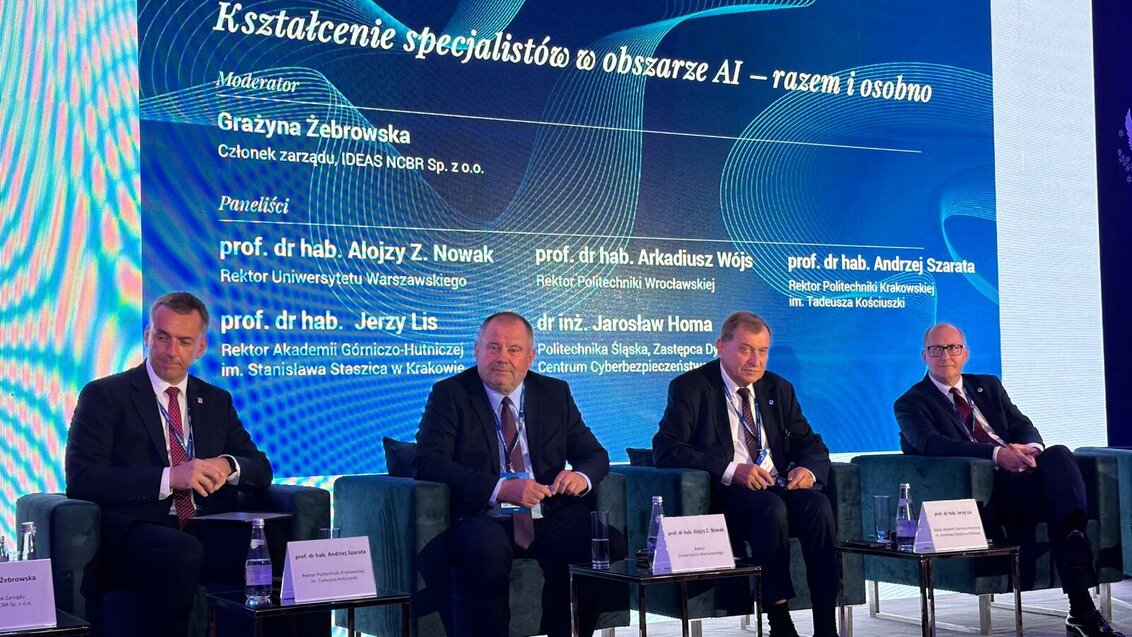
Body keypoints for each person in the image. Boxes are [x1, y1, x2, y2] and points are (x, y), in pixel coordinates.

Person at [895, 322, 1123, 637]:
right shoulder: (910, 403)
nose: (945, 355)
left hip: (1026, 480)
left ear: (965, 354)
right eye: (936, 349)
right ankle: (1081, 598)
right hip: (991, 492)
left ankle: (1073, 538)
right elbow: (932, 444)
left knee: (1056, 453)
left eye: (953, 348)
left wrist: (1029, 450)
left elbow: (1023, 425)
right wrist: (998, 455)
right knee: (1062, 507)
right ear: (924, 356)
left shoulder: (988, 386)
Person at [65, 292, 273, 637]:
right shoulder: (105, 395)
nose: (170, 350)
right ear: (148, 336)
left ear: (200, 348)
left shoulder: (216, 401)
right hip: (134, 531)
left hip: (204, 525)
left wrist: (227, 465)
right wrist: (170, 477)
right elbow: (83, 480)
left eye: (183, 341)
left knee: (275, 543)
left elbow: (260, 468)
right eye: (162, 337)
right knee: (182, 551)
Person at [413, 311, 616, 637]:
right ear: (476, 350)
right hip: (482, 516)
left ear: (530, 356)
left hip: (547, 514)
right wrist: (499, 488)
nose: (502, 358)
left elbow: (594, 454)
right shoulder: (450, 394)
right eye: (493, 347)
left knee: (601, 541)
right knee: (483, 548)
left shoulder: (554, 393)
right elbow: (427, 461)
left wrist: (581, 476)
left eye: (514, 349)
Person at [653, 311, 839, 637]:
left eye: (763, 351)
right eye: (745, 349)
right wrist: (729, 471)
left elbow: (810, 442)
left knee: (817, 505)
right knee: (770, 508)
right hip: (727, 495)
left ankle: (826, 625)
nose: (755, 360)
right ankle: (780, 623)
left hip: (775, 485)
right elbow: (667, 448)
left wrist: (808, 470)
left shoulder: (778, 389)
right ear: (721, 347)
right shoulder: (691, 387)